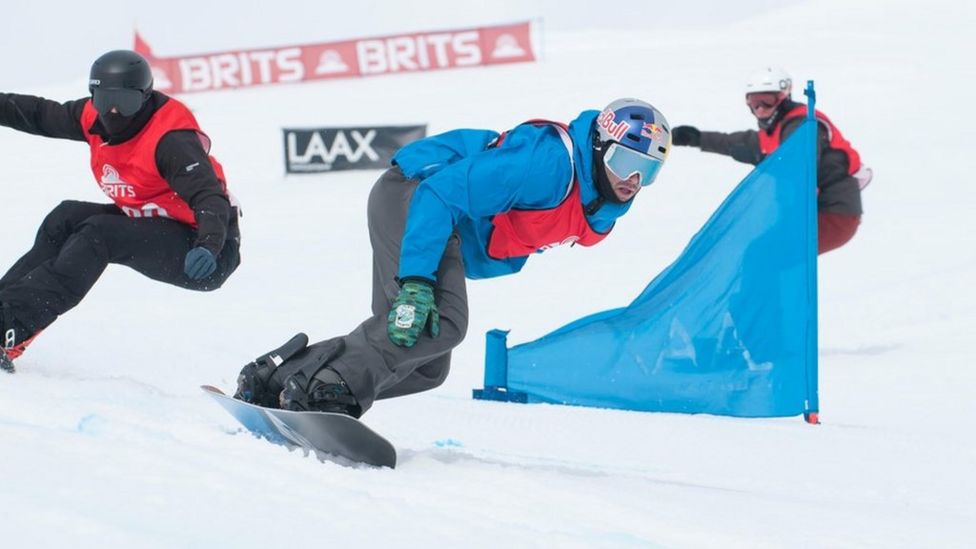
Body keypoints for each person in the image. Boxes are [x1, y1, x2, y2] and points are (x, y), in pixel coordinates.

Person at [233, 98, 672, 417]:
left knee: (426, 368)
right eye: (623, 161)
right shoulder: (550, 164)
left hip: (437, 224)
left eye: (646, 170)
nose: (633, 179)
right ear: (598, 148)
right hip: (416, 198)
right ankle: (329, 389)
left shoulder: (595, 203)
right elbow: (440, 192)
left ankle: (280, 379)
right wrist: (418, 283)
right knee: (442, 322)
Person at [0, 50, 240, 373]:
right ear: (93, 96)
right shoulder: (93, 119)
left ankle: (11, 327)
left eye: (125, 102)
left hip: (204, 247)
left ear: (145, 97)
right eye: (103, 99)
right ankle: (5, 305)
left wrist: (209, 245)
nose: (113, 111)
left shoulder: (170, 140)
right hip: (156, 222)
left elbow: (209, 198)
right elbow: (41, 113)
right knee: (66, 218)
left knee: (98, 235)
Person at [670, 67, 870, 254]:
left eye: (767, 100)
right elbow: (737, 143)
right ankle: (771, 291)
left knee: (765, 253)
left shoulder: (802, 127)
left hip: (834, 214)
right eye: (754, 102)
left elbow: (799, 167)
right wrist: (697, 138)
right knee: (764, 253)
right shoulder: (775, 131)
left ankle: (769, 292)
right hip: (810, 214)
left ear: (784, 97)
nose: (760, 108)